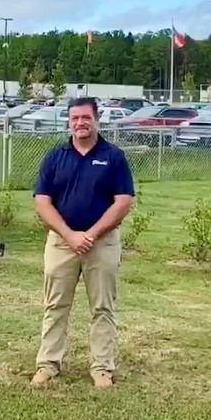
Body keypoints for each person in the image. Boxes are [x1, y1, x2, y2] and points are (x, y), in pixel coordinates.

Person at [30, 97, 135, 389]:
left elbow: (124, 201)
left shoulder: (113, 157)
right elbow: (42, 201)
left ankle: (102, 368)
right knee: (55, 306)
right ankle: (48, 365)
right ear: (68, 122)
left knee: (102, 308)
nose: (80, 123)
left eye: (85, 118)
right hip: (62, 243)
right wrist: (70, 235)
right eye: (74, 118)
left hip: (101, 244)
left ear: (96, 119)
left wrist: (91, 234)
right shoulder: (55, 156)